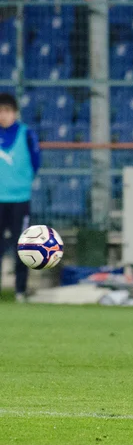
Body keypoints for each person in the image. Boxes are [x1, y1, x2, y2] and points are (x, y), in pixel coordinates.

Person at [0, 93, 41, 301]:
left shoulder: (27, 134)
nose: (3, 116)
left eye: (7, 111)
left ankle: (20, 291)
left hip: (20, 200)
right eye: (0, 111)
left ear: (14, 112)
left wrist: (21, 184)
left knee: (22, 246)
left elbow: (36, 163)